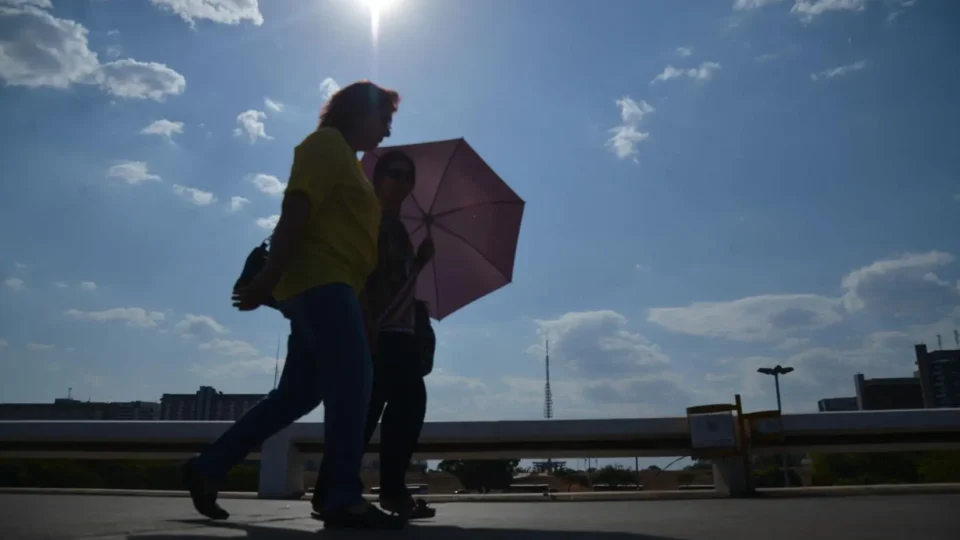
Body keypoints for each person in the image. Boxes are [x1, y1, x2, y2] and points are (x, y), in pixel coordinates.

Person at [182, 81, 406, 530]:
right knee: (353, 384)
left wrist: (362, 306)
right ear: (359, 113)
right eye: (383, 119)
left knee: (298, 395)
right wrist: (268, 275)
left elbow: (349, 245)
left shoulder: (348, 162)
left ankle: (208, 466)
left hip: (333, 286)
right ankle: (342, 496)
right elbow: (297, 209)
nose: (385, 131)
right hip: (319, 283)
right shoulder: (324, 145)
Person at [311, 150, 436, 520]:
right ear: (377, 178)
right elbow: (360, 272)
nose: (401, 181)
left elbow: (396, 279)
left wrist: (420, 262)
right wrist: (365, 320)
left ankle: (333, 491)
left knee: (382, 408)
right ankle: (383, 493)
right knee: (389, 407)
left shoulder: (397, 228)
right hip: (375, 328)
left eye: (407, 176)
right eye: (394, 174)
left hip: (398, 331)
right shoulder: (369, 219)